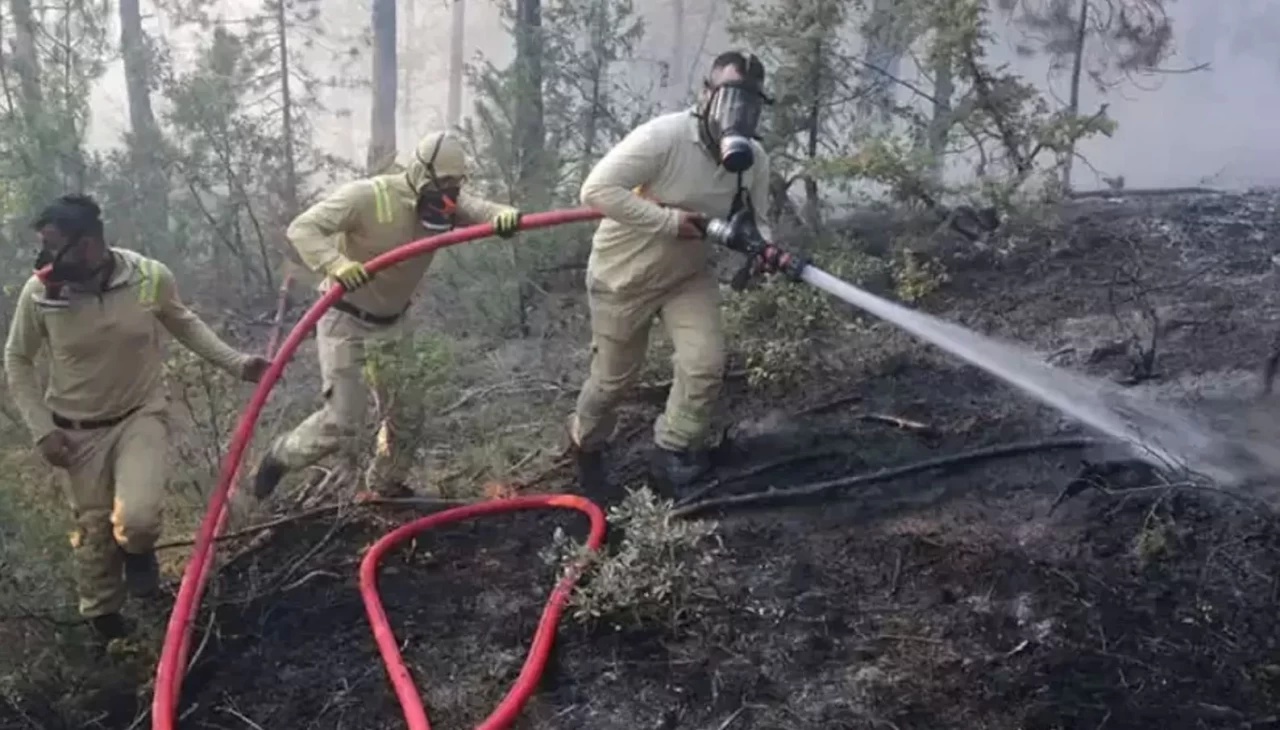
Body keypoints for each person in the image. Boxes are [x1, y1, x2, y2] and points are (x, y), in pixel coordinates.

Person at [4, 194, 269, 641]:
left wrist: (238, 363)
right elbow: (17, 359)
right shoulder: (41, 293)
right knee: (93, 533)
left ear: (88, 244)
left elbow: (183, 322)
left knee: (137, 519)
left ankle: (140, 553)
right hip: (75, 431)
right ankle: (106, 624)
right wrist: (41, 431)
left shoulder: (148, 277)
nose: (46, 257)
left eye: (54, 245)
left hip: (139, 415)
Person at [252, 130, 522, 499]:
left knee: (407, 416)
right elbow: (302, 228)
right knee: (343, 420)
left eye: (457, 184)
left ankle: (383, 488)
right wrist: (336, 264)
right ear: (421, 173)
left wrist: (504, 215)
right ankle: (279, 457)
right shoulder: (368, 197)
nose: (450, 195)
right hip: (345, 319)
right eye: (444, 183)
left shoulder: (446, 204)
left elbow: (481, 209)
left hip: (393, 324)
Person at [568, 51, 774, 498]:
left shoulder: (753, 159)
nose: (738, 114)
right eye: (730, 99)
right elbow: (596, 190)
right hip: (624, 277)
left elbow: (758, 222)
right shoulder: (664, 138)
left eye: (750, 104)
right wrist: (669, 222)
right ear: (706, 95)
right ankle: (586, 444)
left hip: (687, 277)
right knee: (613, 381)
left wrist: (764, 249)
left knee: (705, 365)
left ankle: (673, 451)